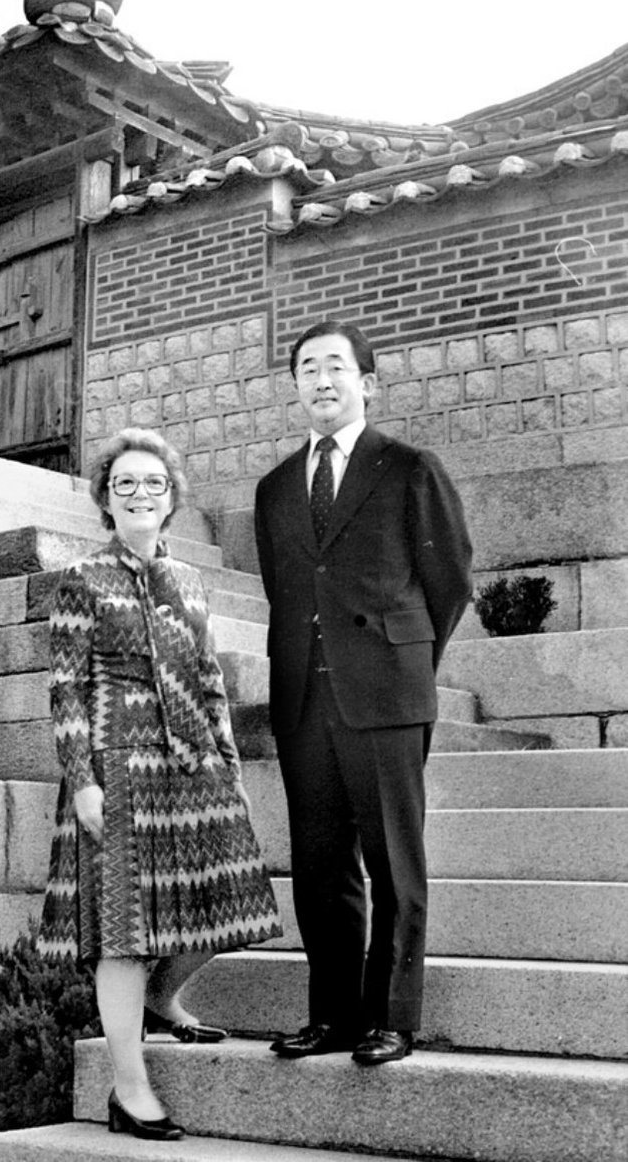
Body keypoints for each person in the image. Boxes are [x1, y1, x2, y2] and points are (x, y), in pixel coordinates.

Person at [38, 426, 282, 1139]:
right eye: (125, 484)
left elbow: (209, 682)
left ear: (171, 498)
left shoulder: (191, 583)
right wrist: (82, 780)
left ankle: (162, 999)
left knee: (232, 901)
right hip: (116, 766)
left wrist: (229, 768)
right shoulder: (83, 580)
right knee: (122, 933)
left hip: (193, 766)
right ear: (106, 502)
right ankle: (129, 1087)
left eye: (154, 483)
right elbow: (66, 691)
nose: (141, 493)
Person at [254, 321, 472, 1065]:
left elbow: (448, 584)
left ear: (366, 382)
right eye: (307, 367)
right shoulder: (276, 486)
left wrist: (399, 661)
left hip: (385, 694)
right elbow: (283, 590)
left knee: (392, 864)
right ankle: (333, 1018)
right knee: (319, 870)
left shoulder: (409, 467)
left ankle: (393, 1019)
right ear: (294, 386)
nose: (321, 379)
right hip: (304, 702)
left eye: (336, 367)